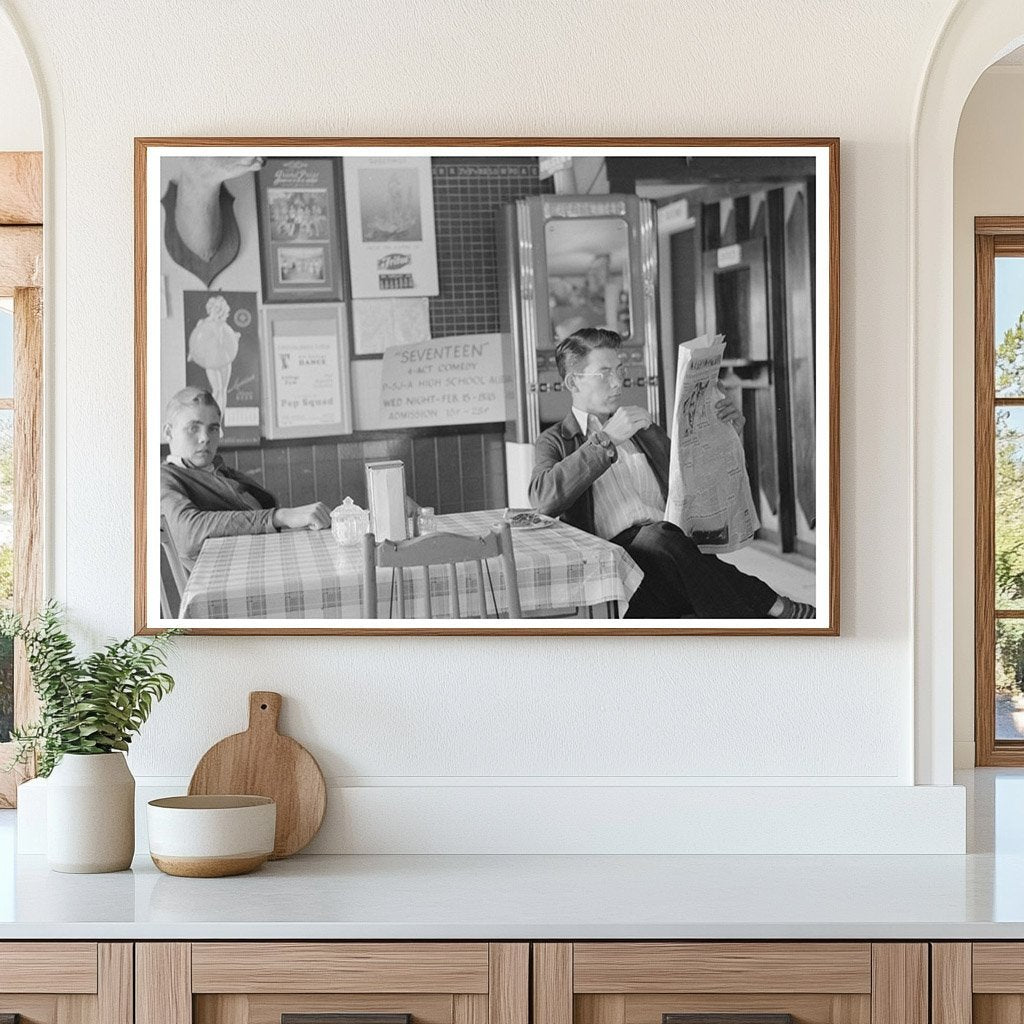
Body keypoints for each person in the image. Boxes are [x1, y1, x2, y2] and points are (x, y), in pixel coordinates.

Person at [529, 328, 815, 619]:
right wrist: (606, 441)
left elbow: (690, 481)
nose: (617, 382)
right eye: (603, 374)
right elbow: (543, 499)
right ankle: (771, 608)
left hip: (671, 555)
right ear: (572, 382)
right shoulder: (556, 439)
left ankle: (762, 616)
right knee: (664, 542)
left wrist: (724, 433)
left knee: (671, 546)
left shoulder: (642, 429)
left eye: (620, 370)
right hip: (616, 564)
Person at [161, 386, 331, 572]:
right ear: (168, 432)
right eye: (193, 428)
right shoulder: (164, 478)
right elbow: (187, 532)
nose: (205, 438)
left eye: (213, 428)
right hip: (229, 582)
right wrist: (279, 516)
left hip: (267, 562)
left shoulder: (221, 471)